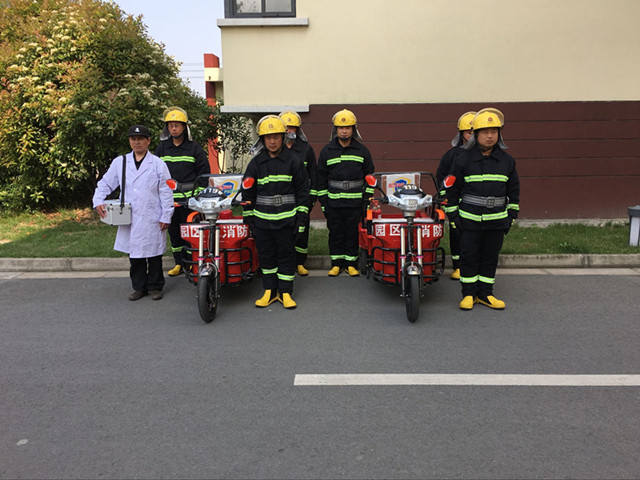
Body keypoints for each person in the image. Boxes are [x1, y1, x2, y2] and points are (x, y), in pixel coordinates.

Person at [444, 108, 520, 310]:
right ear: (476, 134)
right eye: (485, 132)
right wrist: (454, 216)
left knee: (489, 258)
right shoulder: (463, 159)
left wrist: (511, 216)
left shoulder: (507, 161)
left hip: (496, 221)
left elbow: (513, 190)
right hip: (469, 220)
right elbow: (452, 189)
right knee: (469, 257)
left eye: (494, 132)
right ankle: (469, 294)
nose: (490, 136)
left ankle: (486, 294)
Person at [93, 125, 174, 301]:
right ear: (129, 141)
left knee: (154, 254)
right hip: (130, 215)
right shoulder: (120, 162)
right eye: (133, 139)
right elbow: (106, 183)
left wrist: (166, 215)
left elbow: (166, 191)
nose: (136, 142)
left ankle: (155, 287)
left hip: (152, 214)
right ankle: (139, 287)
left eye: (140, 139)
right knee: (135, 254)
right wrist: (98, 200)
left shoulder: (158, 164)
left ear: (148, 141)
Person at [242, 115, 310, 309]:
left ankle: (285, 292)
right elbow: (247, 192)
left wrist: (301, 219)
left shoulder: (294, 161)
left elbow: (303, 191)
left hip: (287, 221)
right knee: (266, 257)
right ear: (262, 140)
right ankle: (269, 291)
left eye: (276, 137)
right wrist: (249, 218)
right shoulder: (256, 164)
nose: (272, 141)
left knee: (286, 256)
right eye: (268, 138)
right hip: (262, 221)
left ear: (283, 137)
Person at [316, 109, 375, 277]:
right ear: (335, 129)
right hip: (333, 202)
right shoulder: (327, 151)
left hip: (355, 203)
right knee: (335, 233)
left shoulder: (362, 151)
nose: (344, 131)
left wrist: (367, 199)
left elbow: (370, 176)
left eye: (347, 128)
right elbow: (321, 178)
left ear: (353, 129)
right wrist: (324, 202)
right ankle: (336, 264)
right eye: (341, 128)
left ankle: (351, 264)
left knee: (352, 233)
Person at [154, 106, 210, 277]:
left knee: (191, 232)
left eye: (177, 125)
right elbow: (155, 173)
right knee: (174, 233)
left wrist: (198, 197)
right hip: (169, 201)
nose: (174, 128)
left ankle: (192, 262)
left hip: (189, 201)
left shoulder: (194, 148)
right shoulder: (162, 148)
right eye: (171, 125)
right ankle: (179, 263)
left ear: (184, 127)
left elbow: (204, 174)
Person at [436, 111, 476, 280]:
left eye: (476, 132)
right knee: (457, 233)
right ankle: (458, 266)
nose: (472, 136)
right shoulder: (451, 155)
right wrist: (445, 198)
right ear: (461, 134)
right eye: (469, 132)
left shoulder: (485, 156)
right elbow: (441, 177)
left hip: (475, 204)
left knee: (476, 235)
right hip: (456, 204)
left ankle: (474, 266)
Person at [279, 110, 317, 276]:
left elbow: (313, 174)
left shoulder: (306, 149)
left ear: (298, 129)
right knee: (284, 232)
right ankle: (286, 263)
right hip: (283, 198)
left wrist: (312, 198)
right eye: (286, 128)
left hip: (301, 198)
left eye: (292, 127)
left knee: (302, 230)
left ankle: (300, 262)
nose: (289, 130)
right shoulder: (276, 149)